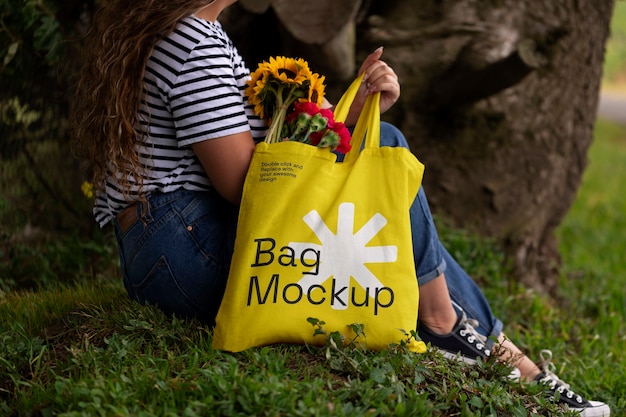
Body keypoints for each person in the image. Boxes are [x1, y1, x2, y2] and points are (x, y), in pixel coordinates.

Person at [70, 1, 610, 416]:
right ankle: (464, 335)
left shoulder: (183, 34)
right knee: (387, 153)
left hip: (165, 246)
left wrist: (345, 118)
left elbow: (269, 153)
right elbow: (244, 184)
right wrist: (349, 144)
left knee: (387, 180)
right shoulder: (192, 41)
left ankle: (497, 353)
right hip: (187, 244)